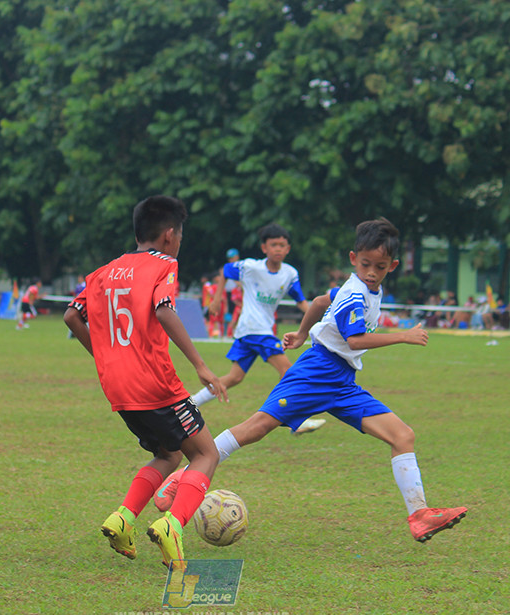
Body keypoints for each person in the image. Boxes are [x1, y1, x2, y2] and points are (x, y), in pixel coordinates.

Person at [158, 219, 467, 544]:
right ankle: (183, 477)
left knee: (403, 436)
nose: (372, 272)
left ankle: (419, 516)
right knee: (257, 428)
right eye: (365, 265)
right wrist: (403, 335)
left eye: (380, 266)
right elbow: (356, 340)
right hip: (315, 373)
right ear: (353, 258)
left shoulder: (366, 289)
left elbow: (321, 301)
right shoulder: (354, 294)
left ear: (393, 265)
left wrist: (303, 333)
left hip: (342, 382)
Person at [63, 195, 228, 569]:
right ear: (169, 235)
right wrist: (201, 365)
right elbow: (164, 309)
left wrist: (105, 357)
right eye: (181, 235)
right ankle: (172, 525)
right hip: (154, 383)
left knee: (167, 454)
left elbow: (72, 316)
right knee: (205, 454)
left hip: (117, 386)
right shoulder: (165, 264)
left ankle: (122, 518)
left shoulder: (104, 271)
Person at [190, 224, 324, 434]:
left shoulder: (290, 273)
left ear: (288, 249)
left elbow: (301, 301)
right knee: (288, 371)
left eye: (282, 245)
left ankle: (190, 403)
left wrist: (320, 321)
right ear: (264, 248)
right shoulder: (252, 267)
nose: (278, 249)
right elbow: (226, 270)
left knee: (234, 378)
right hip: (255, 329)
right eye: (273, 245)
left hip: (251, 332)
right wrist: (216, 300)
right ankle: (294, 420)